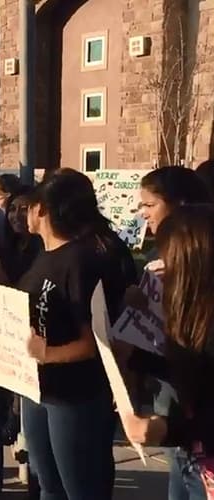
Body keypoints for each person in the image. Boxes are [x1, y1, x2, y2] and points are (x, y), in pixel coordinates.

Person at [16, 171, 124, 500]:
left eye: (29, 207)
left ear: (43, 209)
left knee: (79, 488)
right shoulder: (40, 256)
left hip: (73, 396)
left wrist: (47, 353)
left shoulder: (80, 260)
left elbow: (92, 344)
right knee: (48, 484)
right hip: (36, 390)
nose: (24, 215)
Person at [120, 204, 214, 500]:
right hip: (195, 462)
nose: (159, 267)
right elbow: (188, 370)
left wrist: (165, 429)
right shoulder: (193, 315)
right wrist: (133, 357)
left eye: (166, 259)